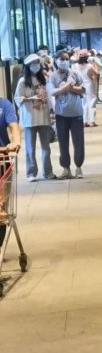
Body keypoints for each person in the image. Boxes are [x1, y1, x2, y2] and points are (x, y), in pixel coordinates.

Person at [14, 55, 56, 181]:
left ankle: (48, 172)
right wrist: (27, 99)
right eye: (33, 63)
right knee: (30, 148)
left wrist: (52, 109)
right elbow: (17, 98)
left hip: (43, 117)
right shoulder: (22, 82)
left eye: (38, 63)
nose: (36, 65)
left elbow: (49, 96)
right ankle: (31, 173)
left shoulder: (43, 79)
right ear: (28, 66)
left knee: (46, 147)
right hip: (29, 118)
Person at [47, 50, 85, 179]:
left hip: (76, 113)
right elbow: (52, 92)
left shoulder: (74, 73)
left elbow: (83, 89)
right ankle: (66, 168)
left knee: (78, 141)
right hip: (61, 114)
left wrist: (71, 88)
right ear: (56, 60)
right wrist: (65, 88)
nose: (65, 61)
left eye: (67, 59)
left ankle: (78, 167)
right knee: (63, 142)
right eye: (62, 59)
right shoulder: (53, 76)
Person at [0, 96, 21, 244]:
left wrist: (16, 142)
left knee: (2, 204)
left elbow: (13, 126)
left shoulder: (4, 105)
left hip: (2, 160)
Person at [73, 51, 98, 127]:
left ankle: (84, 121)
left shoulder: (75, 66)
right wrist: (96, 68)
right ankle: (92, 121)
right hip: (89, 84)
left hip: (80, 85)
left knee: (83, 103)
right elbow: (94, 76)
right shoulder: (89, 66)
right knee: (91, 101)